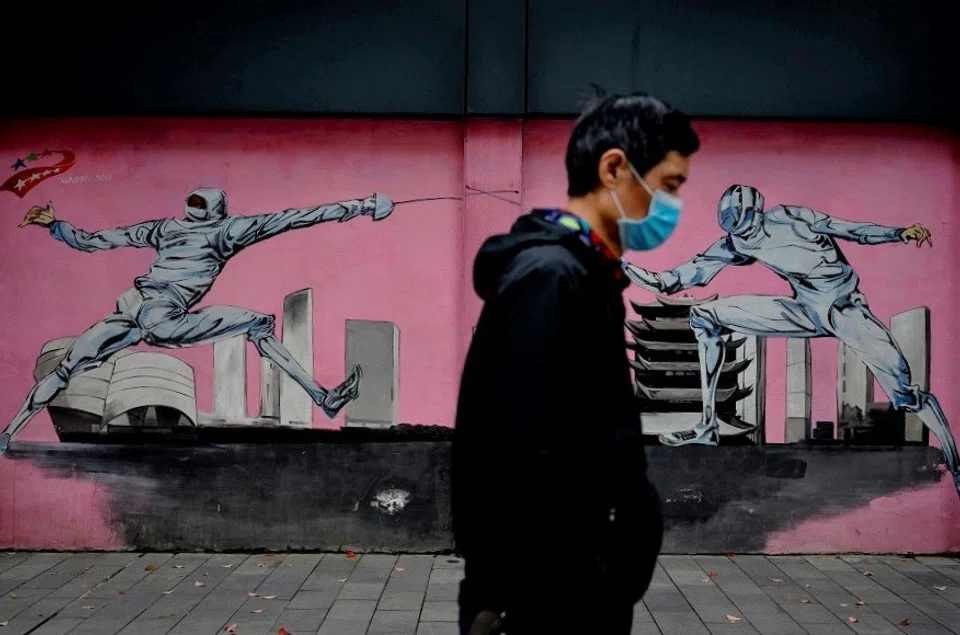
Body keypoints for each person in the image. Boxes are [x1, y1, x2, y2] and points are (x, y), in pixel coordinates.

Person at [452, 92, 700, 634]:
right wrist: (594, 571)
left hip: (573, 592)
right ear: (614, 167)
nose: (674, 205)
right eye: (671, 184)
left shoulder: (585, 275)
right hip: (552, 600)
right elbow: (520, 456)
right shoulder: (552, 278)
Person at [622, 185, 960, 497]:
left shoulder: (793, 218)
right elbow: (674, 280)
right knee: (704, 315)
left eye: (749, 227)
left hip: (846, 310)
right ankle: (707, 425)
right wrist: (627, 267)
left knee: (907, 395)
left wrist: (898, 234)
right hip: (805, 310)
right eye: (739, 231)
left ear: (759, 213)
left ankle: (957, 468)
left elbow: (852, 230)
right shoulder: (737, 243)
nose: (747, 236)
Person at [0, 188, 394, 453]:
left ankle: (7, 434)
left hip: (129, 310)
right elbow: (296, 218)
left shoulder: (166, 228)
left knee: (68, 366)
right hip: (162, 319)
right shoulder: (227, 230)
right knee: (258, 324)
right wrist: (362, 206)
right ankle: (322, 398)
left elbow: (92, 241)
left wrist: (55, 225)